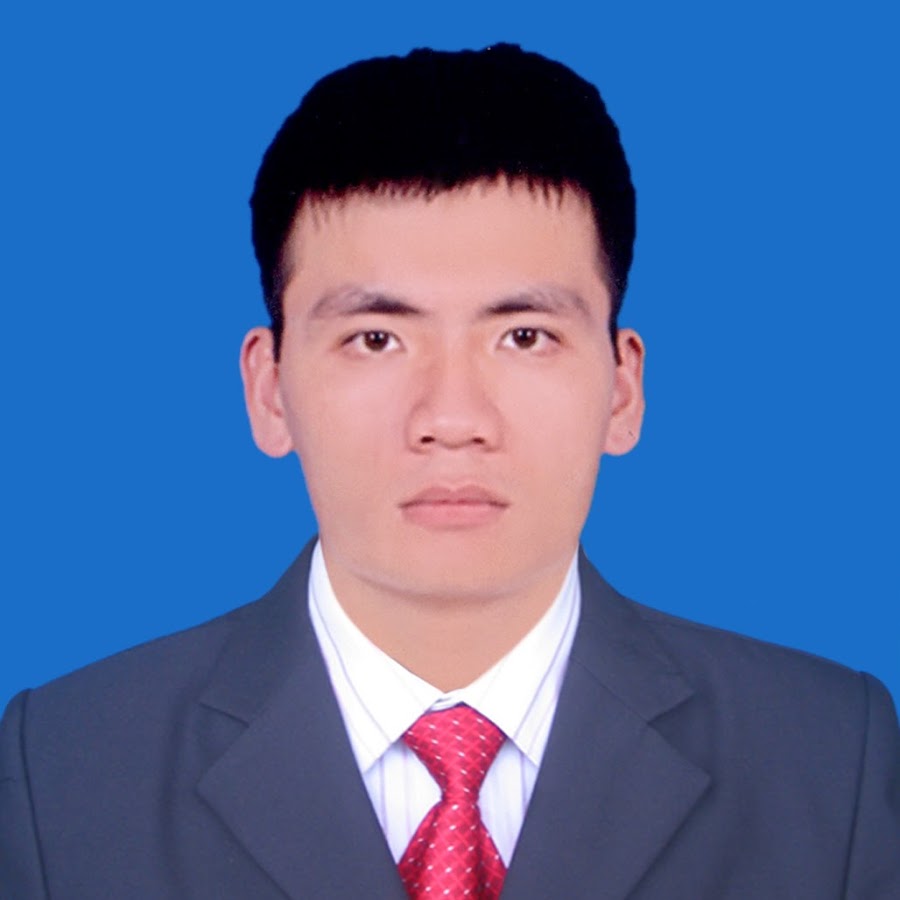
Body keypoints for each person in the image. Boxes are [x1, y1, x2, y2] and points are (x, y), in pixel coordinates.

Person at [1, 43, 897, 900]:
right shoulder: (60, 770)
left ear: (623, 390)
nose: (453, 419)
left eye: (524, 336)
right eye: (376, 339)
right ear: (269, 390)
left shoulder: (832, 758)